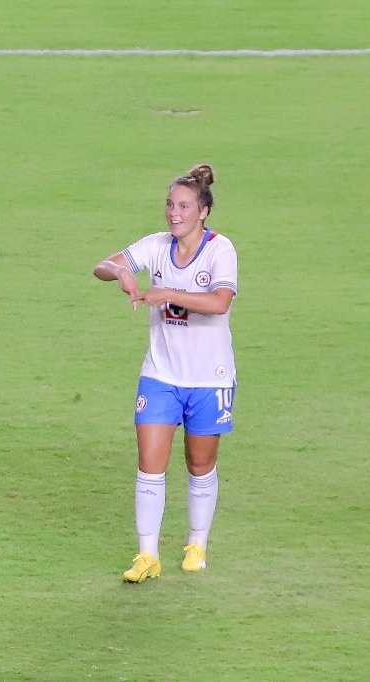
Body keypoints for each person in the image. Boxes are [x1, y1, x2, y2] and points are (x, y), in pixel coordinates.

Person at [93, 164, 238, 583]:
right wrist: (121, 270)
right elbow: (101, 265)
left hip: (210, 378)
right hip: (160, 375)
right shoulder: (156, 246)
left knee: (199, 464)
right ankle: (147, 555)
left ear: (203, 212)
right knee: (149, 463)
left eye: (184, 206)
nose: (174, 213)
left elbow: (220, 302)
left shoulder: (219, 250)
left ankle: (196, 542)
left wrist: (168, 292)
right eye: (170, 204)